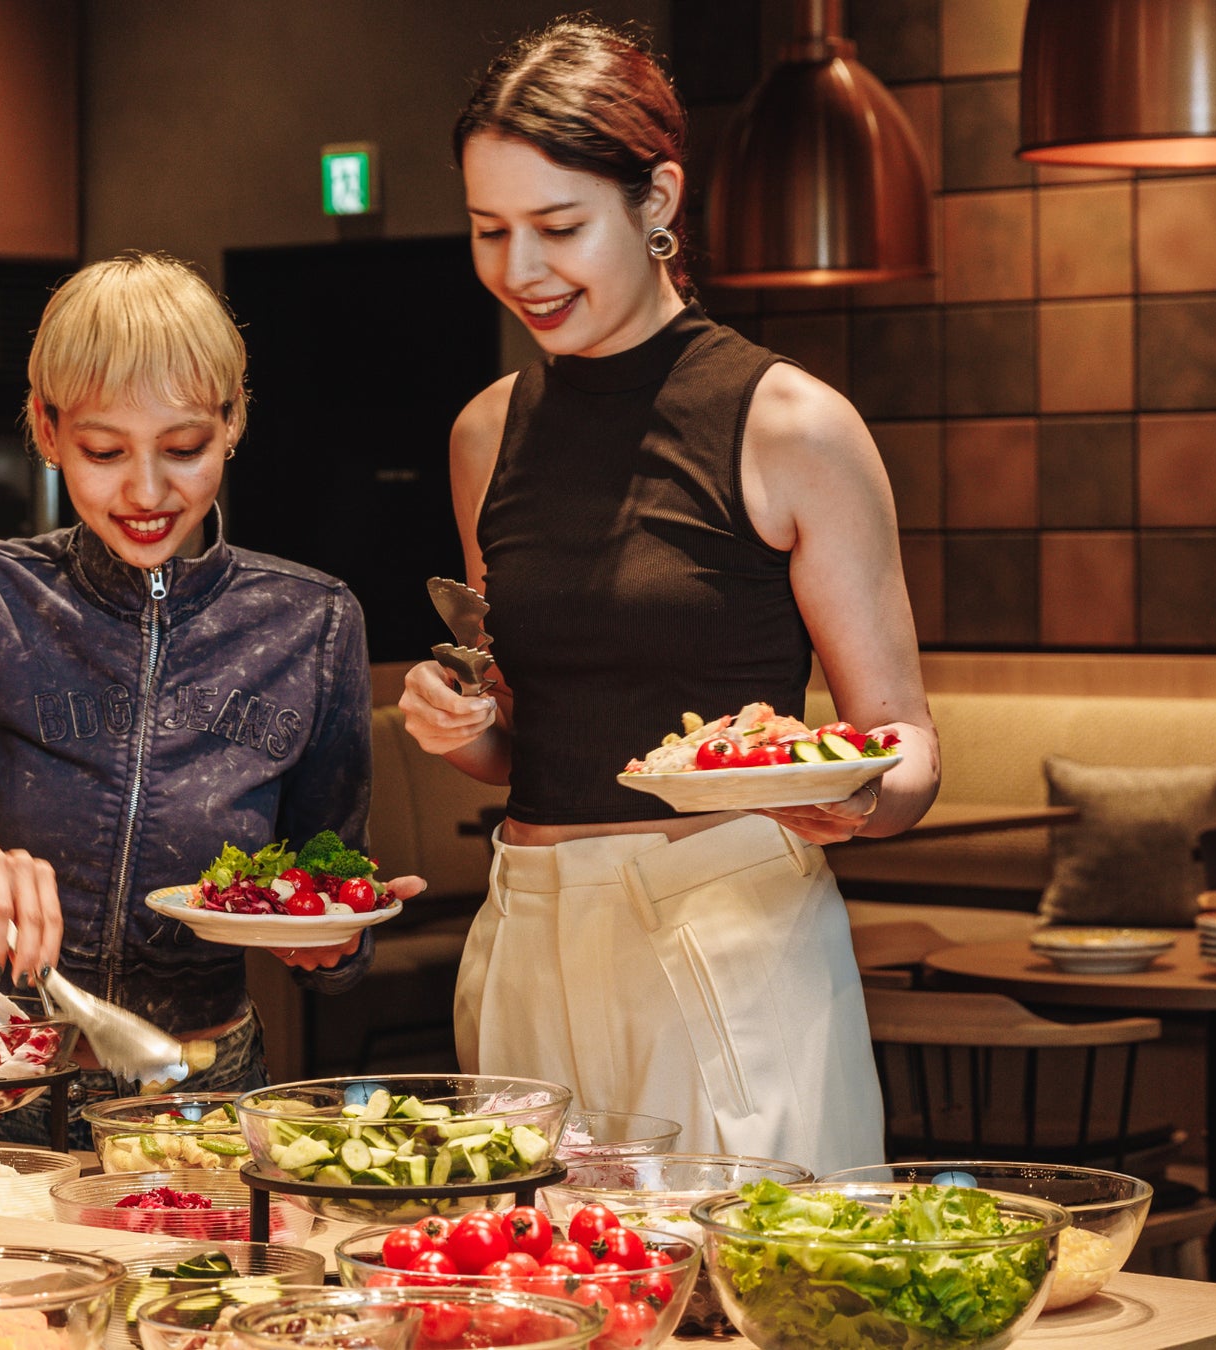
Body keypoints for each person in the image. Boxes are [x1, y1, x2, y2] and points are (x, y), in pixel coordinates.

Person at [398, 18, 940, 1176]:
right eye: (491, 231)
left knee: (746, 1302)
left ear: (658, 199)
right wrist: (467, 727)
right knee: (522, 1299)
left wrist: (850, 798)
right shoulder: (484, 433)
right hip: (528, 918)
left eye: (558, 227)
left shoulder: (792, 425)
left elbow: (908, 749)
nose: (521, 269)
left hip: (726, 931)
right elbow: (525, 734)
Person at [0, 252, 414, 1146]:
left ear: (233, 422)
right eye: (104, 452)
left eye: (184, 449)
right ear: (47, 429)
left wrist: (334, 940)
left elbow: (338, 907)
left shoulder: (313, 621)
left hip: (204, 1102)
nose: (145, 492)